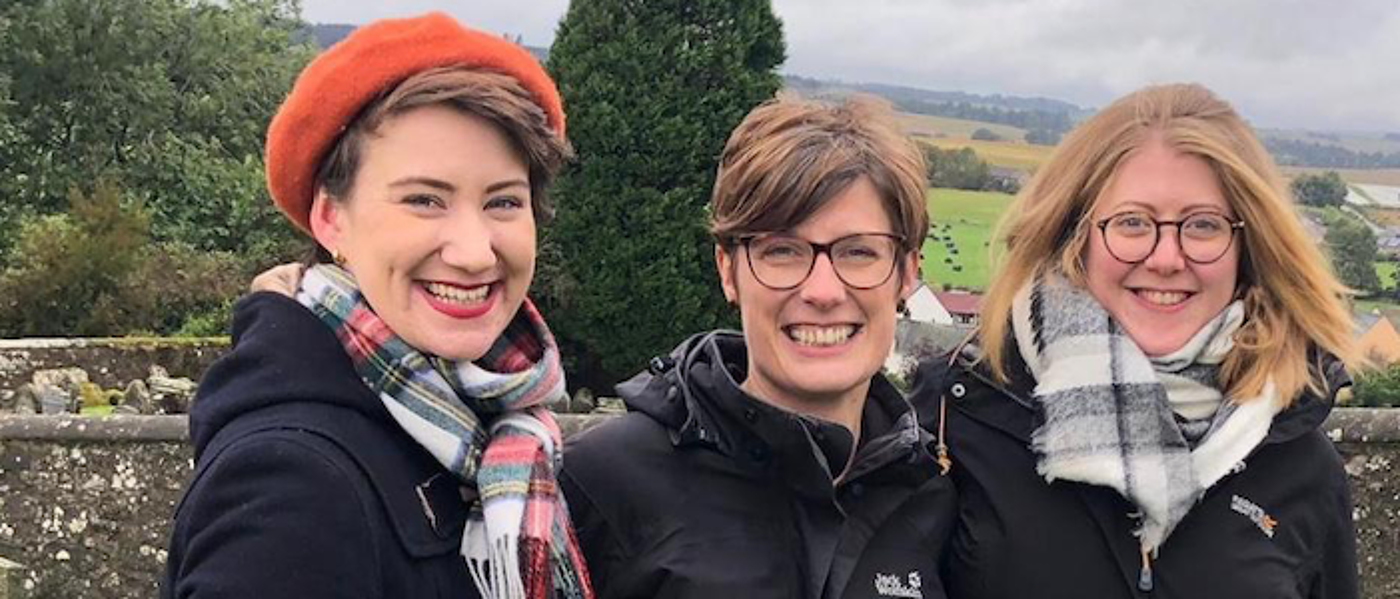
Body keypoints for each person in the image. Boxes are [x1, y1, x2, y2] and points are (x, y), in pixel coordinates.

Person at [161, 14, 593, 599]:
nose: (472, 252)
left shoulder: (480, 437)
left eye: (503, 202)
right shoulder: (293, 485)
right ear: (330, 218)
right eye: (424, 200)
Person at [911, 83, 1360, 599]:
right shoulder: (959, 416)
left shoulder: (1298, 461)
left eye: (1203, 225)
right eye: (1131, 223)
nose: (1167, 258)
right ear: (1073, 236)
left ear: (1248, 245)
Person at [559, 96, 955, 599]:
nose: (823, 290)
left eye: (858, 252)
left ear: (906, 273)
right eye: (782, 251)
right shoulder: (603, 481)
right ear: (728, 270)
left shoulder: (931, 498)